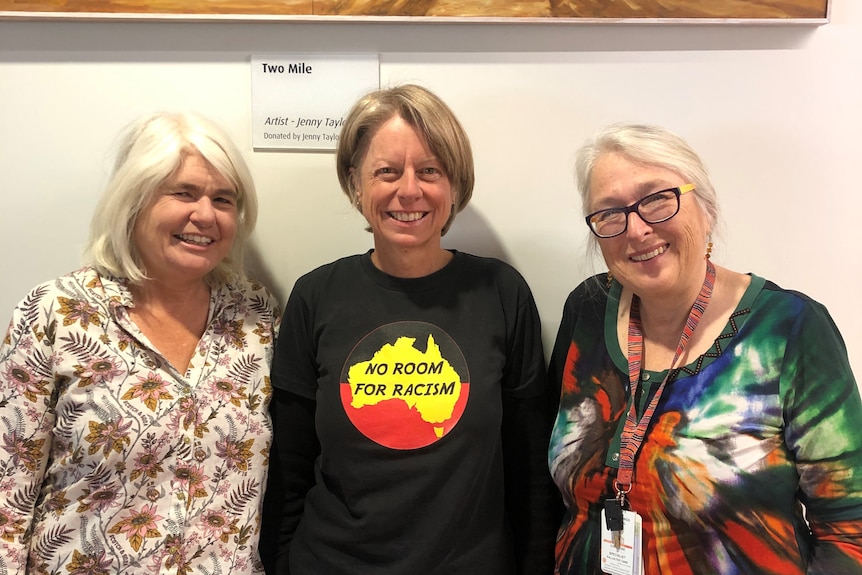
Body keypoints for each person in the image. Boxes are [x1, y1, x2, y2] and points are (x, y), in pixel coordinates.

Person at [260, 84, 560, 574]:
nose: (409, 190)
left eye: (429, 171)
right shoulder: (316, 296)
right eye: (386, 171)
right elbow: (289, 467)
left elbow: (530, 466)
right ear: (355, 184)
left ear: (455, 186)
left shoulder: (501, 292)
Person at [547, 122, 862, 574]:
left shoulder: (789, 330)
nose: (636, 230)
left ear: (706, 208)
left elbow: (849, 531)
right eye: (610, 213)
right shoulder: (588, 311)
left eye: (657, 198)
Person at [0, 112, 280, 575]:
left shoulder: (256, 314)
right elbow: (9, 491)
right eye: (183, 193)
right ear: (133, 200)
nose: (206, 215)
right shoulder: (57, 312)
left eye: (224, 199)